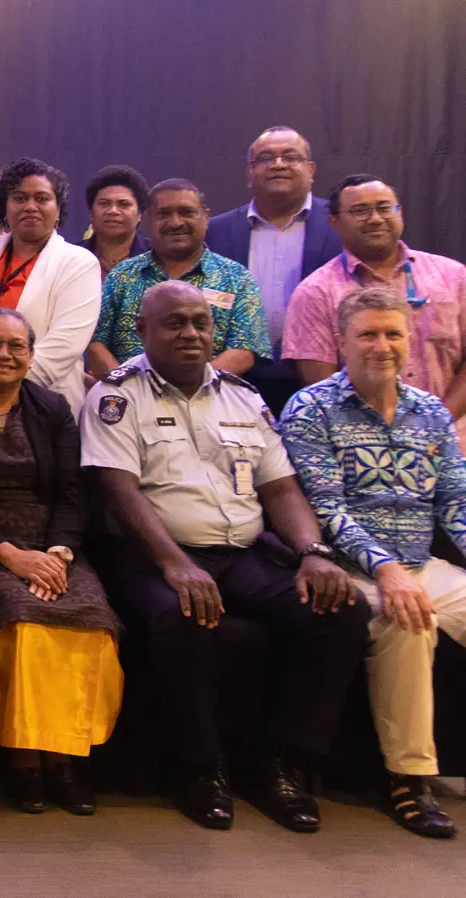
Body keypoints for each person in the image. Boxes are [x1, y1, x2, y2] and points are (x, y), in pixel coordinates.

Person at [82, 280, 368, 833]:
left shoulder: (244, 396)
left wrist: (312, 552)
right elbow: (120, 492)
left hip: (243, 554)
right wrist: (173, 563)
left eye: (200, 322)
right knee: (182, 611)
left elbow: (281, 488)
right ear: (143, 331)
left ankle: (281, 764)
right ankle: (201, 770)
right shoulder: (117, 396)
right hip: (151, 552)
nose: (190, 333)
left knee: (341, 609)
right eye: (174, 323)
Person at [279, 286, 465, 839]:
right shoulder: (311, 409)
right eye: (368, 334)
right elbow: (326, 508)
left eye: (393, 334)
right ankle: (409, 779)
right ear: (340, 342)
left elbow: (456, 502)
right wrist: (386, 570)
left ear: (410, 340)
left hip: (424, 563)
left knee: (423, 600)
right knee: (410, 622)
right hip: (349, 571)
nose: (382, 346)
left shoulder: (430, 411)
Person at [0, 308, 120, 816]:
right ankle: (26, 761)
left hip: (54, 547)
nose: (4, 355)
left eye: (17, 346)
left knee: (94, 626)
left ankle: (65, 758)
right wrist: (11, 556)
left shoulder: (54, 408)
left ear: (32, 356)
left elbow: (73, 490)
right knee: (26, 624)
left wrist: (58, 551)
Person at [285, 175, 466, 432]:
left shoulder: (454, 276)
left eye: (384, 207)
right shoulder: (314, 292)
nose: (375, 218)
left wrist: (436, 424)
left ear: (399, 212)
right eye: (360, 211)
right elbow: (322, 387)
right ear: (334, 223)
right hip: (360, 441)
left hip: (452, 434)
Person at [0, 157, 101, 411]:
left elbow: (63, 347)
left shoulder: (79, 262)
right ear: (4, 207)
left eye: (42, 199)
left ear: (58, 210)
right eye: (20, 198)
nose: (30, 206)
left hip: (41, 407)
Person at [208, 127, 342, 414]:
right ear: (249, 173)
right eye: (265, 158)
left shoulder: (341, 224)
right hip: (234, 382)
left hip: (323, 381)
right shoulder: (215, 232)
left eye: (290, 157)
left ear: (311, 169)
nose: (278, 164)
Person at [89, 179, 266, 382]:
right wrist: (133, 388)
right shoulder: (122, 275)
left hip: (207, 403)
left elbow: (244, 351)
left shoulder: (236, 278)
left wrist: (188, 389)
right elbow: (95, 344)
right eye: (163, 214)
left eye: (186, 212)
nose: (175, 223)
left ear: (206, 217)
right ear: (147, 220)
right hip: (130, 402)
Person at [78, 165, 151, 278]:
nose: (113, 211)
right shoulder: (72, 257)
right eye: (104, 203)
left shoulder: (157, 258)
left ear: (140, 214)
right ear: (91, 212)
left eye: (124, 204)